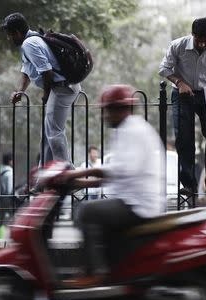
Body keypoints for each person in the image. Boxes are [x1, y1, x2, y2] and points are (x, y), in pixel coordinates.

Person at [59, 85, 166, 288]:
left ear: (121, 109)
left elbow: (120, 170)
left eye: (108, 111)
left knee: (85, 212)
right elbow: (117, 174)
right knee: (94, 211)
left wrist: (78, 173)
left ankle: (95, 272)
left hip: (138, 204)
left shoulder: (133, 131)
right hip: (131, 198)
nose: (105, 116)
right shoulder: (127, 129)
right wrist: (79, 183)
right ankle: (109, 268)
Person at [159, 17, 206, 195]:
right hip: (183, 93)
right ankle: (188, 185)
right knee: (184, 137)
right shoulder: (177, 46)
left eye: (205, 40)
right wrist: (179, 82)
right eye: (198, 39)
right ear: (192, 34)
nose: (201, 43)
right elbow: (164, 68)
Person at [0, 12, 81, 167]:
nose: (9, 39)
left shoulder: (29, 44)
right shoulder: (34, 39)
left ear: (17, 32)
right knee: (47, 134)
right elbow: (27, 71)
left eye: (10, 35)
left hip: (61, 89)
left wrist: (46, 96)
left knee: (54, 132)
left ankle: (67, 172)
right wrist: (21, 91)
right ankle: (43, 178)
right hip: (64, 88)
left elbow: (47, 72)